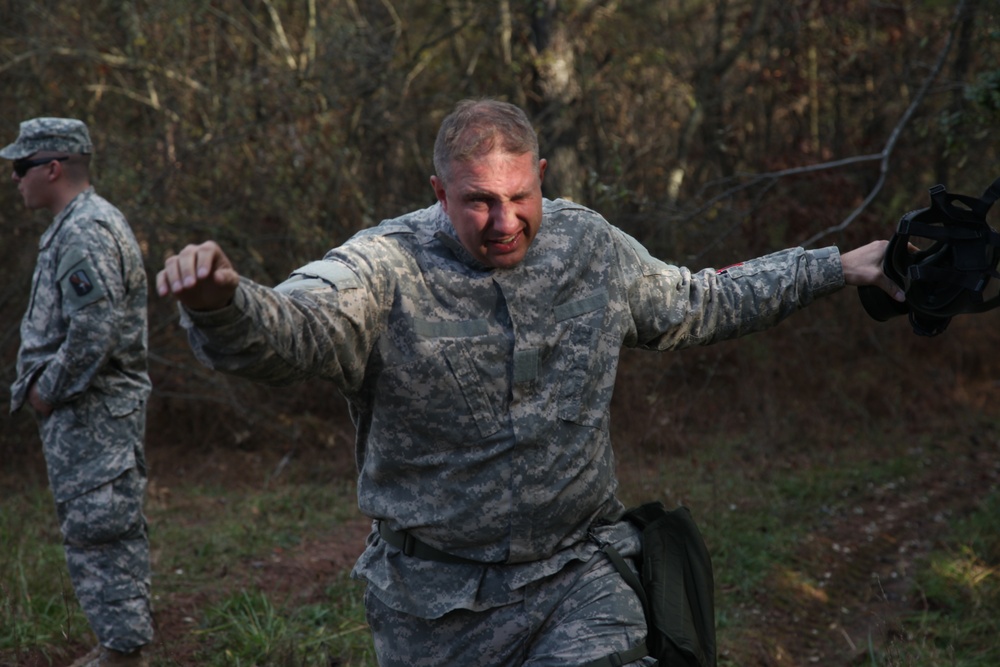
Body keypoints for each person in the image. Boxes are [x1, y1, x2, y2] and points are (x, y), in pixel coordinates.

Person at [157, 99, 901, 666]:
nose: (505, 221)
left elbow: (697, 299)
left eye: (521, 196)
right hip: (435, 608)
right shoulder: (385, 267)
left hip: (578, 574)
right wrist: (226, 304)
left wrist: (834, 266)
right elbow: (296, 329)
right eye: (479, 200)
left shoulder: (589, 246)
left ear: (542, 177)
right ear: (439, 193)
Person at [3, 118, 154, 667]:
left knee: (103, 534)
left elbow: (95, 328)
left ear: (53, 168)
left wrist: (45, 389)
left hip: (93, 419)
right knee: (98, 533)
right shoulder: (78, 224)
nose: (15, 178)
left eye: (21, 167)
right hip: (88, 419)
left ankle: (121, 656)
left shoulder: (86, 229)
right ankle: (117, 647)